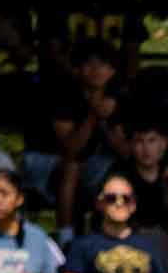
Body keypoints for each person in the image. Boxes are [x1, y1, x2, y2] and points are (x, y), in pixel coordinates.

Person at [21, 38, 126, 238]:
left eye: (102, 64)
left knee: (116, 168)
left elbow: (124, 151)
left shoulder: (114, 100)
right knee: (72, 165)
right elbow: (71, 149)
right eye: (89, 64)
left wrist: (106, 120)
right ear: (77, 69)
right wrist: (92, 115)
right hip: (44, 163)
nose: (96, 70)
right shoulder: (63, 94)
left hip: (89, 164)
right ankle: (65, 235)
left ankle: (108, 232)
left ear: (112, 71)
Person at [120, 121, 168, 230]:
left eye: (151, 140)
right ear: (130, 144)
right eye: (139, 141)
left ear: (164, 143)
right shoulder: (120, 179)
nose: (146, 148)